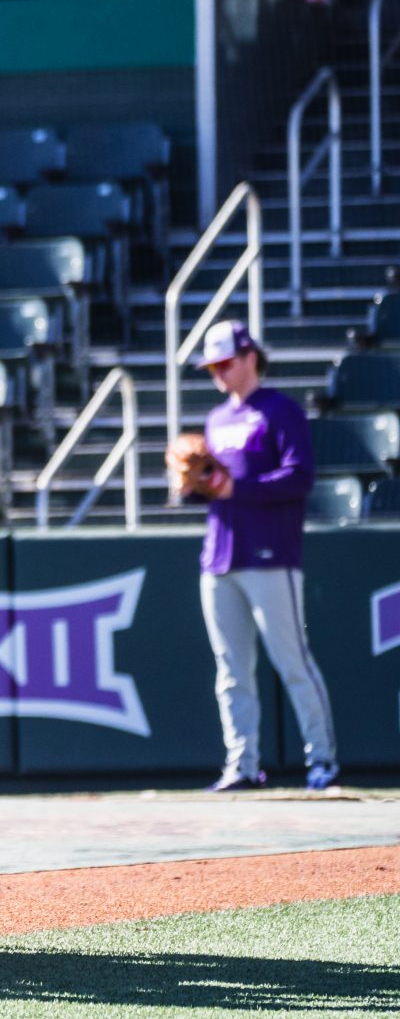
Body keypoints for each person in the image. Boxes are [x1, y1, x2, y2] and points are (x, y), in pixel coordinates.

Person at [182, 320, 338, 792]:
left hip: (270, 554)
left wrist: (237, 486)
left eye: (225, 363)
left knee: (292, 660)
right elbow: (213, 490)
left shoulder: (280, 411)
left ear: (251, 357)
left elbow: (300, 477)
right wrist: (191, 487)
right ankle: (243, 764)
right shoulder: (216, 419)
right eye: (212, 367)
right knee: (230, 670)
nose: (218, 374)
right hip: (220, 555)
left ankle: (322, 761)